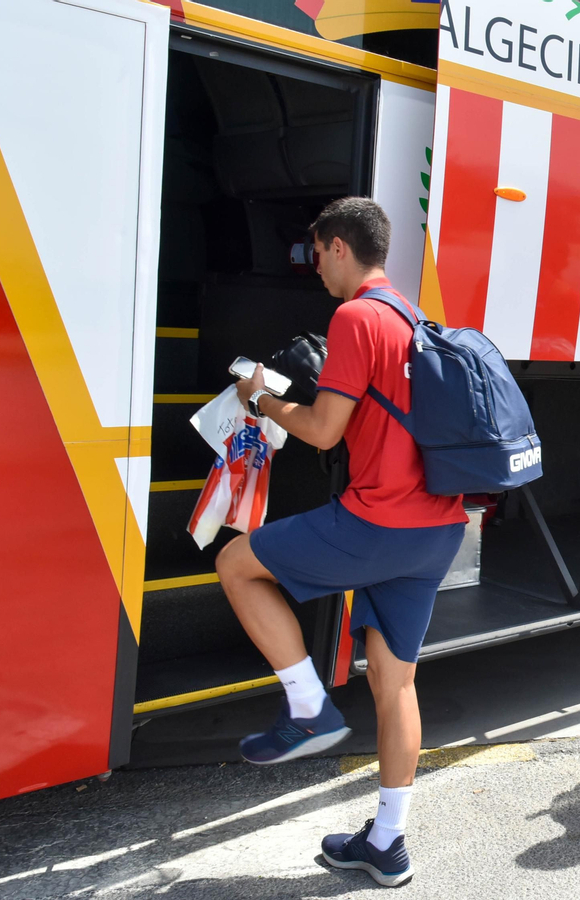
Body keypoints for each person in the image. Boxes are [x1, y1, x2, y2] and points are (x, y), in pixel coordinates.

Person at [218, 197, 468, 887]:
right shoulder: (414, 319)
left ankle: (308, 708)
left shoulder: (357, 317)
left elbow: (324, 429)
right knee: (395, 682)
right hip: (438, 528)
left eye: (316, 253)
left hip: (379, 521)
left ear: (337, 246)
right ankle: (387, 842)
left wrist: (259, 398)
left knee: (236, 564)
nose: (315, 267)